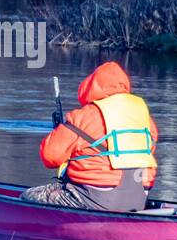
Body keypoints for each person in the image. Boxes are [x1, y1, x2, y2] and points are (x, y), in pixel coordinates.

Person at [22, 61, 158, 212]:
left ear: (90, 86)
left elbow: (50, 157)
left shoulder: (82, 117)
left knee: (28, 197)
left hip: (94, 198)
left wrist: (59, 131)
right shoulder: (145, 118)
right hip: (139, 198)